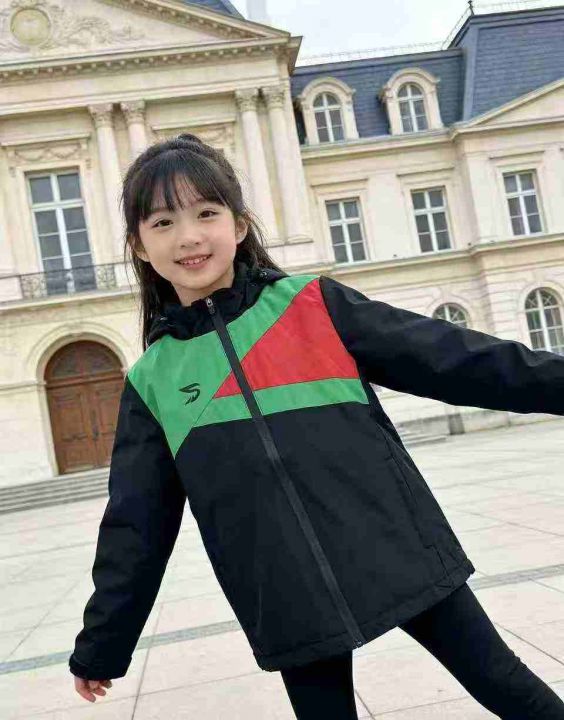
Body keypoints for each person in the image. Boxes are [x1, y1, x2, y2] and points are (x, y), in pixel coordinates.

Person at [69, 133, 564, 718]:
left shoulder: (313, 305)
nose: (189, 236)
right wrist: (103, 642)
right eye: (163, 222)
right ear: (139, 245)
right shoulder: (153, 380)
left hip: (396, 545)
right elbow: (136, 524)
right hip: (284, 589)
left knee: (504, 683)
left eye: (207, 213)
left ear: (240, 224)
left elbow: (458, 360)